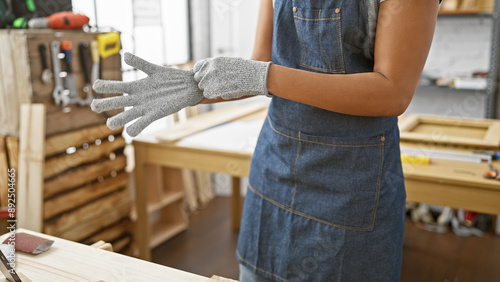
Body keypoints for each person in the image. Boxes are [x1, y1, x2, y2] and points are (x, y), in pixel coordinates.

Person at [91, 0, 441, 280]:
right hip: (276, 166)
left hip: (351, 184)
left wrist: (266, 76)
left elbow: (392, 91)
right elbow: (261, 61)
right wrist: (197, 87)